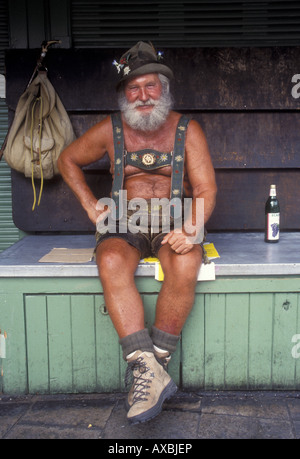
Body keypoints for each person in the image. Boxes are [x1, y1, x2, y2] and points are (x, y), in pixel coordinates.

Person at [58, 41, 217, 425]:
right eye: (134, 88)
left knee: (186, 259)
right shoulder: (110, 129)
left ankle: (149, 371)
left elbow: (207, 189)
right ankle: (151, 370)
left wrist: (192, 228)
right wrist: (87, 203)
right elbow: (67, 159)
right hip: (123, 219)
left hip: (176, 216)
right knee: (110, 258)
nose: (143, 96)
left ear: (164, 88)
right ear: (124, 94)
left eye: (151, 86)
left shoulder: (186, 129)